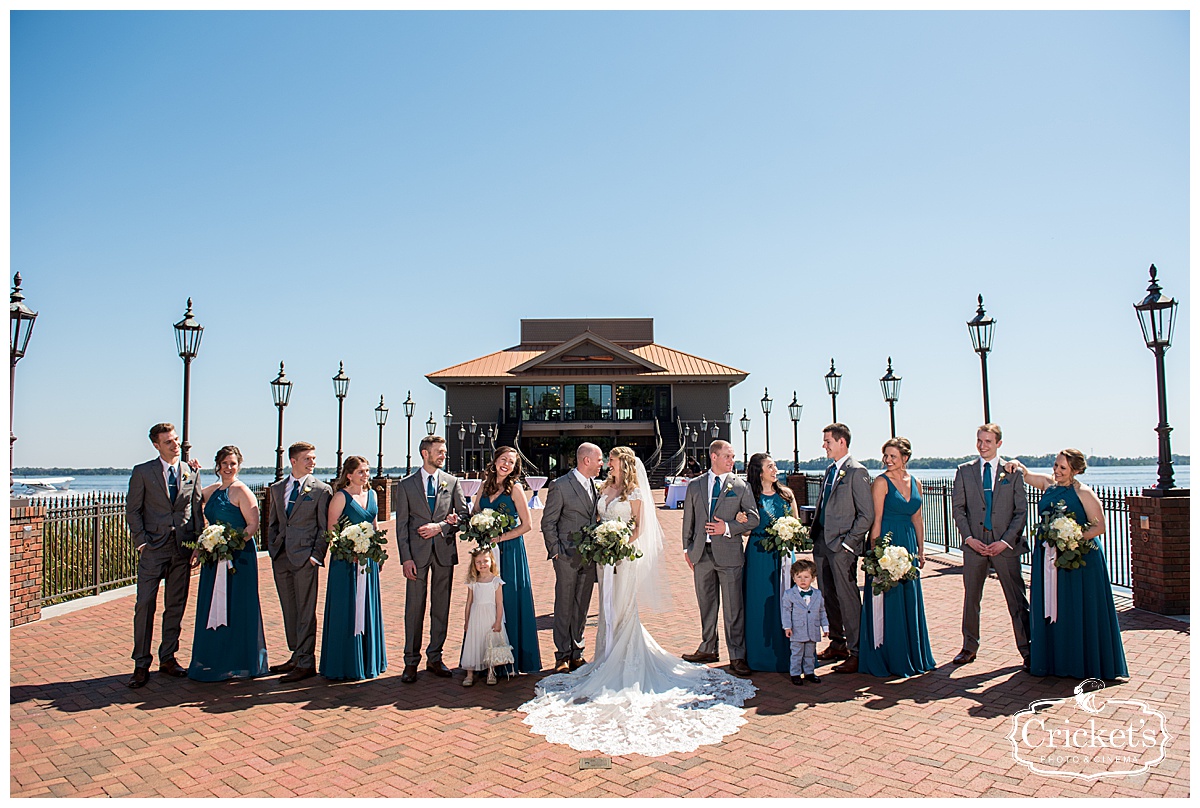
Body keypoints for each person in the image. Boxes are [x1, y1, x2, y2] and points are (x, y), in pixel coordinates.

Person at [520, 447, 756, 757]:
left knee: (621, 608)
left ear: (625, 464)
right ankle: (603, 655)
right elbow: (594, 518)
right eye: (607, 460)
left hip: (622, 559)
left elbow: (638, 529)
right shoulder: (603, 487)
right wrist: (603, 544)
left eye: (613, 461)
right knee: (606, 609)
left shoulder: (633, 492)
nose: (608, 463)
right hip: (604, 561)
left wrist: (618, 546)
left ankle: (623, 659)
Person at [1006, 451, 1129, 680]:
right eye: (1055, 465)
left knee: (1076, 607)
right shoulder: (1049, 485)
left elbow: (1099, 527)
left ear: (1075, 470)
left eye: (1063, 468)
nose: (1057, 471)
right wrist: (1015, 464)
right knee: (1055, 607)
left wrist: (1071, 537)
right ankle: (1053, 661)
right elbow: (1026, 474)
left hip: (1080, 561)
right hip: (1049, 558)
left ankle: (1082, 663)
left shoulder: (1084, 493)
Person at [124, 423, 203, 688]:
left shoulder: (191, 471)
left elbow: (195, 509)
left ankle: (168, 658)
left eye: (176, 440)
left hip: (182, 549)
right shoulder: (143, 472)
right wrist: (142, 543)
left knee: (175, 606)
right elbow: (133, 510)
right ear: (156, 445)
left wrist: (197, 546)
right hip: (153, 549)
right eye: (168, 441)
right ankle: (140, 664)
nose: (175, 445)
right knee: (145, 604)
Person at [950, 424, 1030, 670]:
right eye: (979, 440)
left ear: (999, 444)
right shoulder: (964, 471)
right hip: (974, 545)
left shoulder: (1012, 472)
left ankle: (1028, 649)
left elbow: (1021, 512)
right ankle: (969, 647)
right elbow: (958, 509)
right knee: (971, 598)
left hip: (1005, 547)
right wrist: (969, 538)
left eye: (988, 441)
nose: (982, 445)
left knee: (1016, 599)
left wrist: (1004, 542)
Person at [188, 445, 269, 681]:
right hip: (214, 558)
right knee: (212, 604)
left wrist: (231, 545)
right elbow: (188, 497)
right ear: (218, 465)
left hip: (239, 558)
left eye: (233, 463)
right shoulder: (212, 491)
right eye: (224, 463)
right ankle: (215, 658)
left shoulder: (242, 491)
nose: (228, 467)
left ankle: (240, 660)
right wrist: (192, 474)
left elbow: (253, 525)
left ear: (239, 465)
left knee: (237, 606)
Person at [858, 438, 936, 678]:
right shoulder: (881, 482)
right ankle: (887, 656)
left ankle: (912, 654)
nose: (888, 460)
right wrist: (876, 552)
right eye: (886, 456)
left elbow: (917, 519)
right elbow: (877, 519)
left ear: (905, 458)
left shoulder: (916, 482)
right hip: (888, 544)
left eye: (893, 456)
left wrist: (921, 550)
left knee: (908, 599)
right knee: (888, 598)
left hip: (908, 546)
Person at [681, 440, 759, 676]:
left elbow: (754, 519)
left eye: (732, 457)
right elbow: (689, 520)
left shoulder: (740, 485)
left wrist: (727, 526)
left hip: (730, 554)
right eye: (727, 456)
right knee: (706, 604)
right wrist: (687, 550)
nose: (731, 461)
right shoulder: (695, 485)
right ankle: (708, 648)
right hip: (701, 555)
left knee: (734, 607)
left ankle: (737, 656)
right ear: (713, 457)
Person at [395, 435, 468, 683]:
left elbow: (463, 516)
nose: (443, 455)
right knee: (414, 609)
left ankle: (435, 657)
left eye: (444, 452)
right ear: (425, 454)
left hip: (444, 554)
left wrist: (440, 527)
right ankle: (410, 662)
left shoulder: (452, 481)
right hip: (416, 556)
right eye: (439, 452)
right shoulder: (405, 485)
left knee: (441, 607)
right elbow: (401, 525)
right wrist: (406, 559)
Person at [266, 441, 333, 684]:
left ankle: (306, 662)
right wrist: (273, 546)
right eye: (307, 458)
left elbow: (324, 528)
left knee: (306, 610)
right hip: (281, 557)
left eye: (313, 458)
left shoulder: (321, 490)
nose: (312, 462)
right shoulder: (277, 488)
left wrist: (316, 555)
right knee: (289, 608)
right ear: (293, 461)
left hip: (306, 558)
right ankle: (296, 654)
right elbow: (273, 522)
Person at [812, 423, 874, 674]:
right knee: (828, 596)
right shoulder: (829, 471)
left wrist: (849, 544)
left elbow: (866, 515)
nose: (824, 445)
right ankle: (838, 644)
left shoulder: (857, 472)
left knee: (848, 598)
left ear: (842, 442)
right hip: (821, 544)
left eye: (827, 441)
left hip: (841, 547)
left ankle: (858, 652)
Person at [319, 456, 387, 681]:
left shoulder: (373, 495)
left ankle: (369, 659)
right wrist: (351, 552)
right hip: (346, 565)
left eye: (367, 471)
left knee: (368, 607)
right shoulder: (340, 497)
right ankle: (344, 663)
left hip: (368, 563)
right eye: (360, 471)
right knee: (345, 609)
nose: (365, 475)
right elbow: (332, 532)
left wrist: (376, 552)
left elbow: (375, 527)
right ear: (349, 475)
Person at [475, 447, 540, 674]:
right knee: (486, 602)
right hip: (487, 553)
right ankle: (489, 660)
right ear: (494, 461)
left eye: (511, 462)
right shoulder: (483, 486)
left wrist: (500, 536)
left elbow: (527, 525)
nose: (506, 464)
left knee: (510, 599)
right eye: (503, 459)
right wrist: (475, 526)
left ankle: (512, 660)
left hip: (510, 551)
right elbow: (474, 514)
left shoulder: (516, 489)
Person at [540, 443, 603, 674]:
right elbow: (548, 523)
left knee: (582, 606)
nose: (601, 464)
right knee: (564, 605)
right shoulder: (560, 485)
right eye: (599, 460)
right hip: (566, 556)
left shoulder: (595, 486)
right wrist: (556, 552)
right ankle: (562, 655)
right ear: (586, 460)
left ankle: (578, 652)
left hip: (589, 557)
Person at [741, 453, 798, 674]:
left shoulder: (786, 495)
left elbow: (796, 524)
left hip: (783, 556)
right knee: (759, 603)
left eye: (775, 465)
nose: (775, 470)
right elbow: (746, 531)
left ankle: (789, 654)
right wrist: (740, 522)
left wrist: (790, 535)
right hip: (758, 556)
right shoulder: (749, 497)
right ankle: (759, 656)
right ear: (759, 471)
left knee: (786, 601)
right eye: (770, 466)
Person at [459, 547, 506, 687]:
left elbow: (499, 603)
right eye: (478, 562)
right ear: (474, 564)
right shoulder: (473, 581)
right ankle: (469, 674)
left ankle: (491, 671)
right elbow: (469, 602)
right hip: (476, 617)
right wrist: (467, 621)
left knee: (489, 643)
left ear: (491, 561)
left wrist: (498, 621)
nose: (482, 564)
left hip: (490, 617)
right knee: (474, 643)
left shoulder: (496, 581)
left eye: (485, 561)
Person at [781, 559, 827, 685]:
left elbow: (822, 611)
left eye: (806, 577)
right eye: (799, 577)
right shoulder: (790, 594)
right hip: (797, 630)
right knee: (796, 654)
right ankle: (795, 673)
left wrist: (826, 626)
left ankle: (809, 672)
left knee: (810, 654)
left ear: (812, 578)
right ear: (794, 578)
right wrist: (787, 627)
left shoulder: (817, 594)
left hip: (812, 630)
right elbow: (786, 611)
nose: (802, 580)